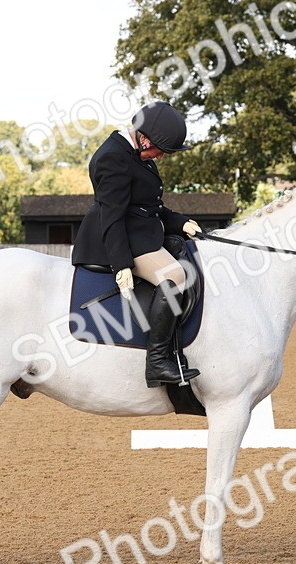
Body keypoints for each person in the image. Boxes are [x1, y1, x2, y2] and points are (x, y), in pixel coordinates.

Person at [71, 101, 202, 387]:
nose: (163, 157)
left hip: (139, 233)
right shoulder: (112, 157)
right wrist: (122, 264)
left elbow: (149, 207)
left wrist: (181, 222)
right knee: (175, 275)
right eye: (162, 151)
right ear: (144, 139)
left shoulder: (139, 155)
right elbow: (112, 215)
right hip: (117, 240)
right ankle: (156, 363)